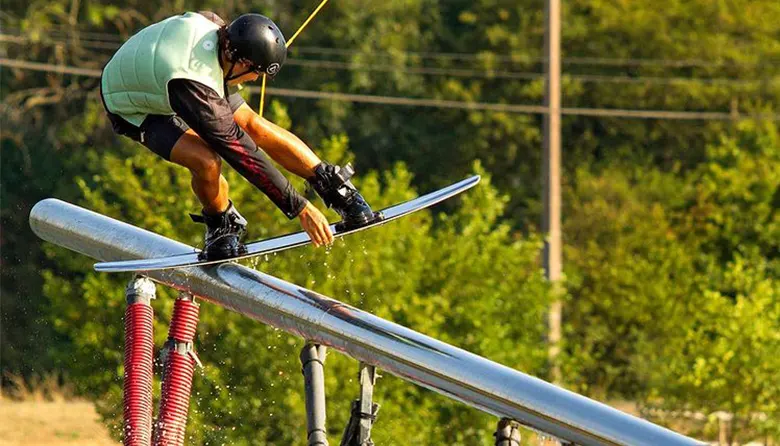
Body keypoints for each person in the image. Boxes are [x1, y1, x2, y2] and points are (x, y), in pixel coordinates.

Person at [100, 11, 381, 260]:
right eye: (255, 72)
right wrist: (300, 208)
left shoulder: (219, 34)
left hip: (165, 72)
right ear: (238, 60)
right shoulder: (195, 86)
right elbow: (244, 155)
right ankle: (221, 222)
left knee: (253, 124)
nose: (255, 79)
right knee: (206, 160)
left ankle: (333, 186)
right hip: (132, 104)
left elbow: (250, 130)